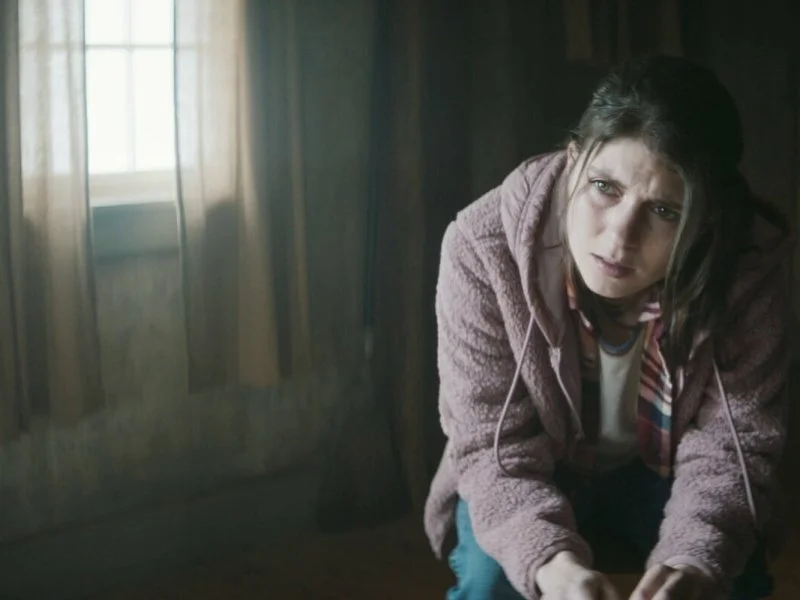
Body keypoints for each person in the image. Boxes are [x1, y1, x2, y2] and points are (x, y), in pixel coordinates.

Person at [423, 55, 793, 600]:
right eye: (604, 187)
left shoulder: (745, 269)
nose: (620, 237)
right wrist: (552, 564)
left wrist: (695, 557)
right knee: (488, 583)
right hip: (530, 469)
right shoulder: (482, 250)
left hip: (667, 471)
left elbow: (733, 447)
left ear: (707, 218)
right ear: (573, 161)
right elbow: (489, 445)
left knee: (729, 578)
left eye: (665, 211)